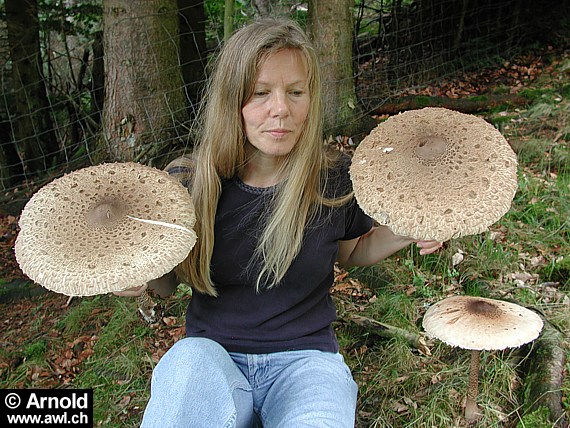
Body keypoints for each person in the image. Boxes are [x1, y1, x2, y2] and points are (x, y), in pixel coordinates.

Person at [117, 18, 442, 428]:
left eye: (295, 92)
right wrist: (139, 275)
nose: (281, 110)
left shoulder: (333, 177)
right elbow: (166, 286)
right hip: (210, 357)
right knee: (185, 376)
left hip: (306, 363)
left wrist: (406, 230)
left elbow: (351, 252)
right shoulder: (188, 184)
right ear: (233, 101)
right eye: (261, 93)